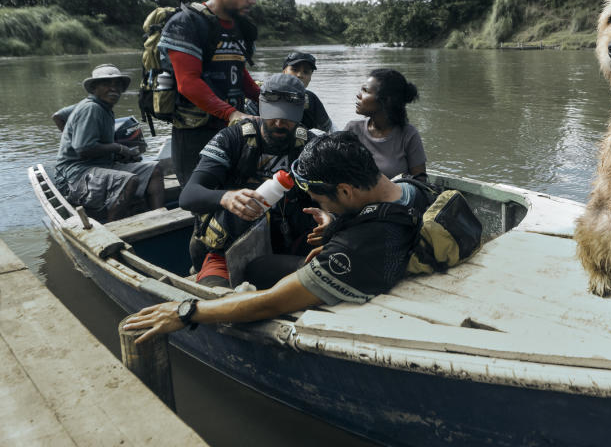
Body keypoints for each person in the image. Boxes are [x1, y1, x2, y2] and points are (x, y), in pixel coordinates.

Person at [123, 131, 429, 342]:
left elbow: (270, 303)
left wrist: (187, 311)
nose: (318, 204)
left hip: (366, 275)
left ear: (346, 191)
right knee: (260, 267)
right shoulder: (412, 190)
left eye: (320, 200)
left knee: (249, 279)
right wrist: (335, 219)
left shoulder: (351, 251)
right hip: (385, 256)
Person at [180, 73, 317, 288]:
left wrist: (329, 216)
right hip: (228, 249)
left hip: (289, 248)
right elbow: (189, 195)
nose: (279, 123)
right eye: (272, 115)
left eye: (288, 117)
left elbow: (337, 193)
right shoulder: (232, 139)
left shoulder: (310, 144)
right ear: (260, 107)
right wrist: (226, 197)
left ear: (300, 113)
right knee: (215, 300)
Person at [158, 0, 264, 185]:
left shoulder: (242, 28)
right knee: (204, 201)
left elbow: (239, 73)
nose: (253, 0)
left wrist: (267, 100)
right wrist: (231, 113)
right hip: (196, 133)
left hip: (234, 129)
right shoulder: (186, 24)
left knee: (238, 193)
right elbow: (188, 82)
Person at [54, 65, 164, 222]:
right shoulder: (91, 108)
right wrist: (118, 148)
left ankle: (160, 217)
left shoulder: (103, 107)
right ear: (94, 88)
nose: (113, 89)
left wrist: (117, 154)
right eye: (107, 84)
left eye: (117, 85)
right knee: (128, 180)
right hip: (75, 176)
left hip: (100, 166)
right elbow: (84, 149)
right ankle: (115, 228)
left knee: (155, 170)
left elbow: (58, 115)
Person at [344, 68, 427, 181]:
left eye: (366, 91)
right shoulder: (352, 129)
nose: (359, 95)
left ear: (387, 100)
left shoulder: (408, 135)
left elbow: (420, 182)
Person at [245, 51, 334, 132]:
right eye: (295, 70)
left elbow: (329, 130)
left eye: (306, 72)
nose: (300, 75)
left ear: (310, 77)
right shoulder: (264, 94)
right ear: (284, 72)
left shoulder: (311, 100)